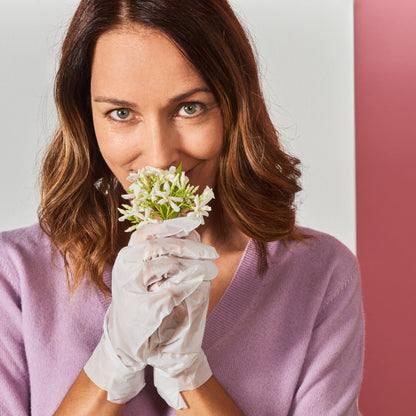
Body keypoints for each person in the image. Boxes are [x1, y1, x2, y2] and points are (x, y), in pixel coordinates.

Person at [0, 0, 364, 415]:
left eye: (190, 108)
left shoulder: (319, 276)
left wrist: (189, 375)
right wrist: (112, 363)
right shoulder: (14, 278)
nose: (158, 157)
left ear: (234, 106)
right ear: (86, 119)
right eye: (121, 113)